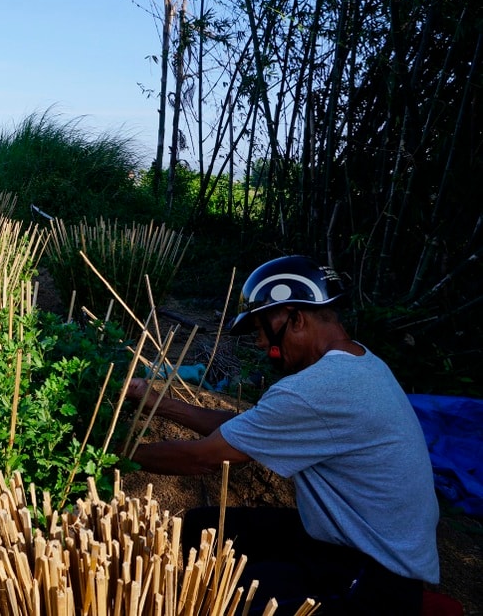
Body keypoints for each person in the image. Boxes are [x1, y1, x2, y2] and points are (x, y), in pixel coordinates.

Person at [125, 255, 439, 615]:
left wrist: (113, 454)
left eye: (260, 329)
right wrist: (155, 402)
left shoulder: (317, 389)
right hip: (350, 542)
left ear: (296, 318)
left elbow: (202, 458)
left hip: (376, 579)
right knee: (200, 528)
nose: (260, 343)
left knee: (234, 596)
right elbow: (242, 427)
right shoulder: (360, 362)